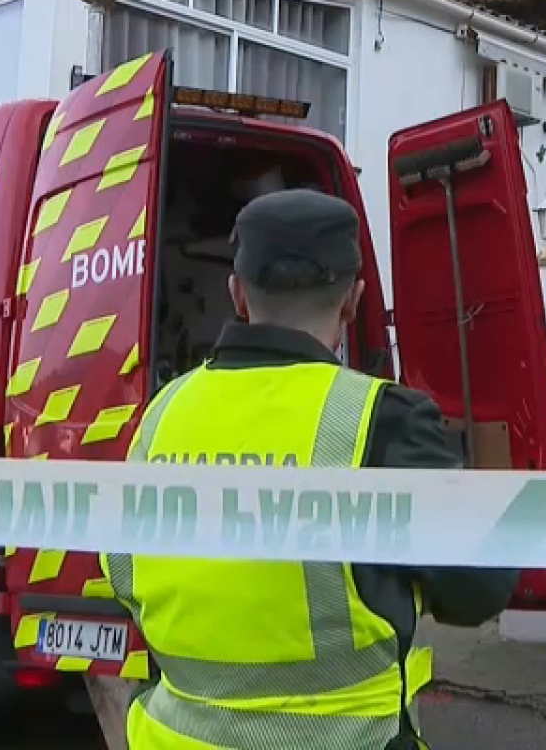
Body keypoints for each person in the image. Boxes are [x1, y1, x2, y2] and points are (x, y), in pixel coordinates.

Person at [100, 189, 520, 750]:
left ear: (237, 295)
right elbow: (477, 591)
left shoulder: (162, 414)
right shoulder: (383, 420)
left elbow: (122, 574)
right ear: (353, 300)